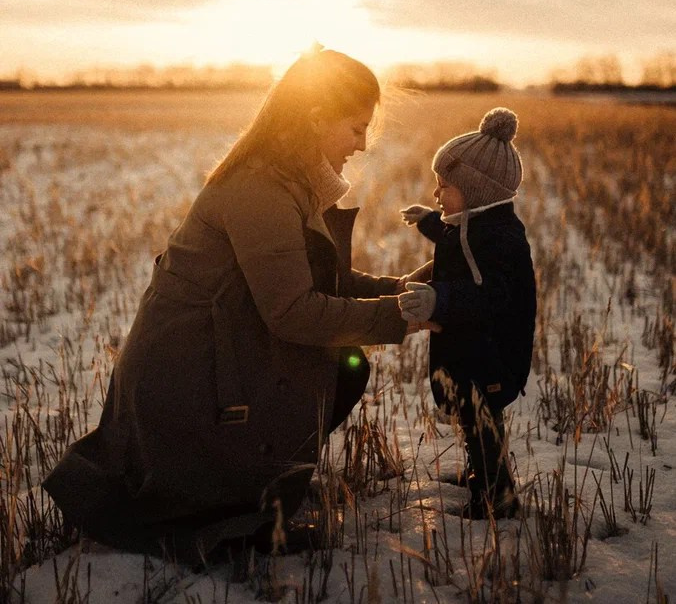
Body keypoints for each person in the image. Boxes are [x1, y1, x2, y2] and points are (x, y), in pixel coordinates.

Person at [42, 47, 433, 563]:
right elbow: (292, 311)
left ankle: (242, 490)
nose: (362, 146)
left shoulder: (287, 181)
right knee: (335, 359)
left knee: (343, 362)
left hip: (220, 357)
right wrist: (406, 315)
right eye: (355, 128)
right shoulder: (261, 188)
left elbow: (324, 283)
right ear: (316, 118)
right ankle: (223, 504)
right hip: (189, 381)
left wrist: (402, 290)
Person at [397, 107, 536, 520]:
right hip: (474, 350)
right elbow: (454, 239)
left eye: (445, 187)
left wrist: (440, 300)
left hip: (494, 354)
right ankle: (484, 472)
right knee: (472, 418)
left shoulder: (500, 239)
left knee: (482, 422)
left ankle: (497, 496)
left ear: (475, 191)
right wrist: (428, 222)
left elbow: (490, 296)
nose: (437, 196)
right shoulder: (479, 223)